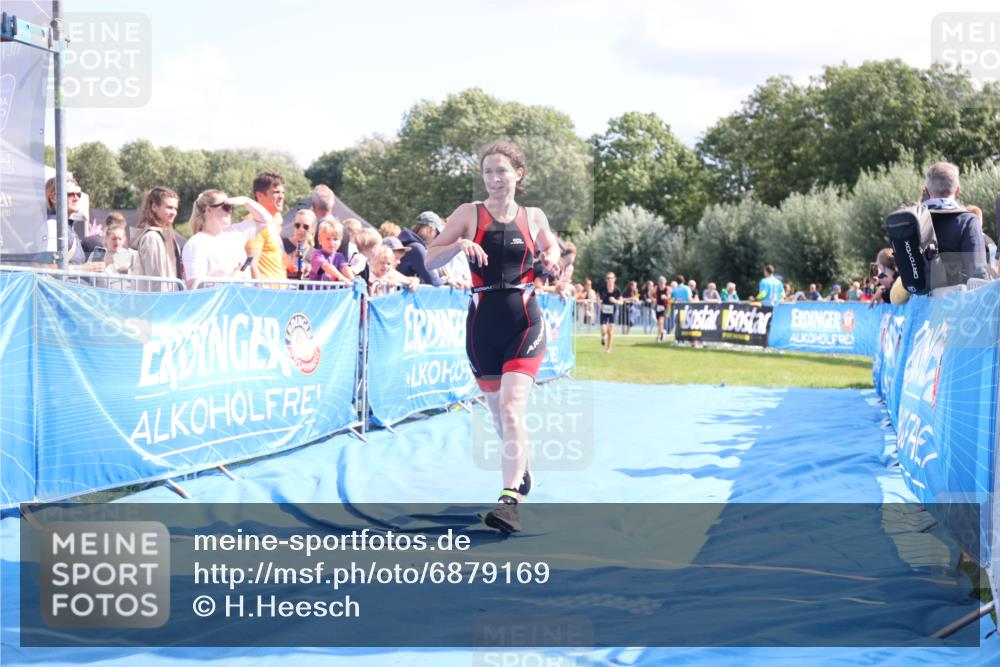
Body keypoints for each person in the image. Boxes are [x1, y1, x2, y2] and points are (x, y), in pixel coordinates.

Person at [425, 141, 561, 534]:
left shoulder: (533, 217)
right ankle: (522, 469)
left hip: (525, 322)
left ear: (518, 173)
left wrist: (552, 258)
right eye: (488, 172)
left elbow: (553, 248)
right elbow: (431, 257)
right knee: (500, 416)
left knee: (512, 409)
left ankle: (508, 501)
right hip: (482, 326)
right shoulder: (469, 214)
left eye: (502, 171)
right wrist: (458, 244)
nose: (495, 179)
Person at [181, 190, 272, 288]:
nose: (230, 211)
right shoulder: (195, 244)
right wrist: (230, 280)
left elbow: (265, 220)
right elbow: (194, 283)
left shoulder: (236, 232)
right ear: (209, 210)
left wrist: (246, 201)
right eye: (226, 206)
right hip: (218, 298)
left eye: (231, 207)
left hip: (242, 296)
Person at [921, 162, 990, 286]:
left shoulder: (915, 221)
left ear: (926, 191)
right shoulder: (968, 221)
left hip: (919, 296)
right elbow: (978, 275)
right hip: (956, 296)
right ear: (958, 190)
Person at [133, 186, 183, 291]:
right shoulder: (152, 238)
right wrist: (162, 300)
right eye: (169, 207)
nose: (174, 212)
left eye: (175, 208)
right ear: (154, 207)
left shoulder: (166, 235)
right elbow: (156, 281)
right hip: (159, 299)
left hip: (171, 297)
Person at [245, 171, 287, 281]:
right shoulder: (255, 222)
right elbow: (251, 263)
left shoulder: (273, 222)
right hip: (264, 289)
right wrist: (259, 289)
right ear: (260, 196)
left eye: (282, 192)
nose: (281, 196)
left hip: (278, 288)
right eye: (276, 192)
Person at [43, 177, 86, 265]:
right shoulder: (53, 225)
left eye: (78, 194)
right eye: (70, 194)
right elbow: (49, 265)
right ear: (53, 198)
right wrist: (83, 268)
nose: (76, 198)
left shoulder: (66, 227)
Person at [397, 221, 444, 286]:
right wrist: (445, 280)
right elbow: (433, 281)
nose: (438, 238)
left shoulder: (408, 244)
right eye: (437, 234)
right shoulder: (417, 248)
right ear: (431, 229)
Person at [282, 209, 316, 280]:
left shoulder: (315, 254)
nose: (301, 229)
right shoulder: (282, 244)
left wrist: (309, 270)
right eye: (297, 225)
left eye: (306, 227)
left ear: (313, 228)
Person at [598, 272, 623, 352]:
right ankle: (603, 336)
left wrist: (615, 301)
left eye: (611, 278)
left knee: (610, 331)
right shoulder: (602, 288)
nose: (609, 280)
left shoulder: (617, 290)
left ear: (614, 279)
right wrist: (600, 305)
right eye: (608, 278)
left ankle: (608, 348)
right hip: (604, 310)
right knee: (603, 330)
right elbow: (597, 297)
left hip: (613, 311)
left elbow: (621, 302)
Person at [654, 276, 671, 342]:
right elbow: (650, 293)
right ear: (658, 282)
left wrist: (665, 297)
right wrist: (652, 298)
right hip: (658, 306)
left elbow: (669, 296)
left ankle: (661, 334)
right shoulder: (656, 288)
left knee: (661, 321)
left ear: (665, 282)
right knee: (659, 322)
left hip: (665, 306)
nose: (661, 284)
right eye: (660, 282)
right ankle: (660, 334)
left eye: (663, 282)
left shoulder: (667, 288)